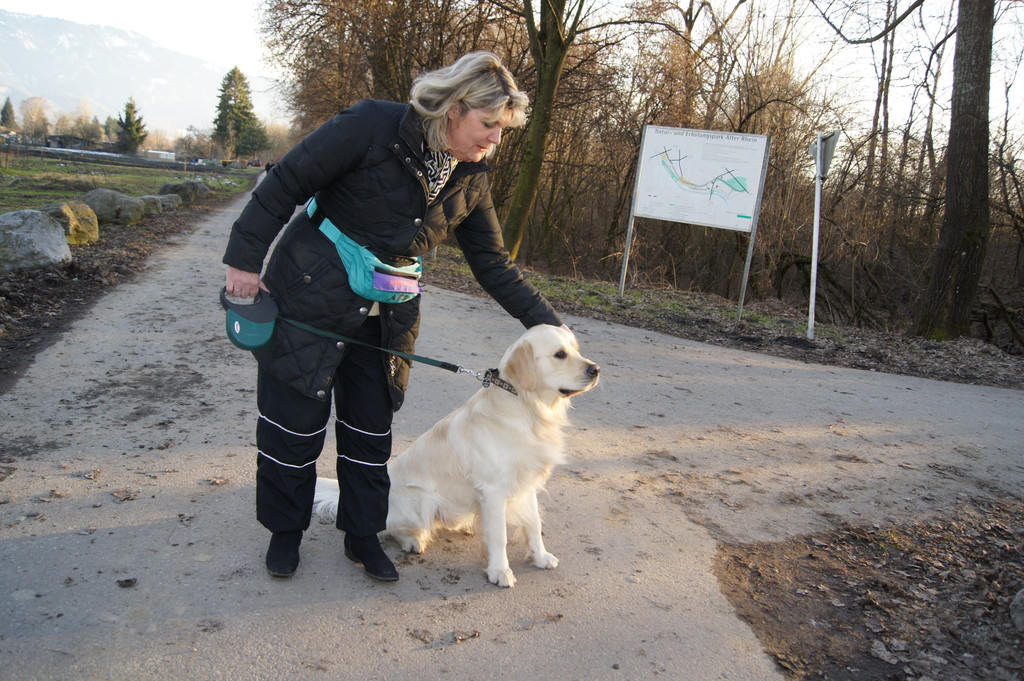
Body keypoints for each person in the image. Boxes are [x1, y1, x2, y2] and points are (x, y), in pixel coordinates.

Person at [222, 51, 564, 582]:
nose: (496, 138)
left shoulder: (471, 178)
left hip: (385, 317)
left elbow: (493, 263)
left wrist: (552, 327)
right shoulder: (371, 126)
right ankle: (285, 533)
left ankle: (362, 535)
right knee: (293, 424)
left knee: (369, 428)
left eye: (503, 128)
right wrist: (244, 262)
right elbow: (286, 181)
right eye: (489, 124)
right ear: (454, 107)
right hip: (310, 296)